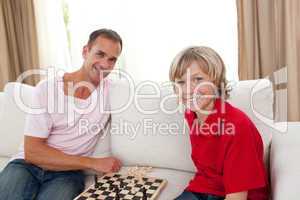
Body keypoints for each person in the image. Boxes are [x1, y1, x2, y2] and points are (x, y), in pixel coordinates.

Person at [0, 28, 123, 200]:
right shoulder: (47, 88)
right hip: (26, 165)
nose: (105, 65)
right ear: (85, 51)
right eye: (100, 54)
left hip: (67, 174)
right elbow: (32, 152)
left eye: (112, 59)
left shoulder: (114, 91)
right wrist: (93, 163)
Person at [170, 46, 269, 200]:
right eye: (181, 82)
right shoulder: (191, 114)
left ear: (216, 82)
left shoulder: (237, 126)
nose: (188, 89)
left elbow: (238, 196)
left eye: (198, 79)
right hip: (205, 188)